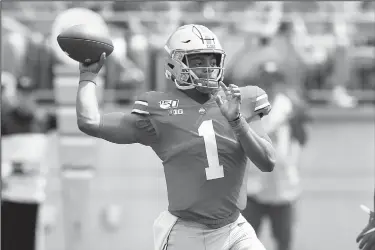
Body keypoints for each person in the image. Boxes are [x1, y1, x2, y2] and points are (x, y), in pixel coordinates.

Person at [76, 24, 276, 250]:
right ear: (174, 63)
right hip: (186, 233)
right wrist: (88, 77)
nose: (208, 68)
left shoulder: (240, 100)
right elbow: (90, 122)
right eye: (198, 62)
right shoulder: (158, 109)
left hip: (234, 229)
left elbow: (268, 161)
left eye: (212, 61)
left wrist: (237, 122)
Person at [242, 63, 310, 250]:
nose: (269, 85)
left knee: (284, 242)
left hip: (284, 188)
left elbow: (301, 137)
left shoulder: (290, 107)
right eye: (265, 81)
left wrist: (291, 161)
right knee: (245, 243)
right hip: (253, 188)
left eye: (273, 81)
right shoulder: (246, 108)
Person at [1, 73, 57, 250]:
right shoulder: (5, 122)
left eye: (28, 94)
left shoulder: (44, 120)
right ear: (16, 95)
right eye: (21, 94)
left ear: (34, 95)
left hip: (35, 197)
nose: (25, 98)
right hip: (10, 197)